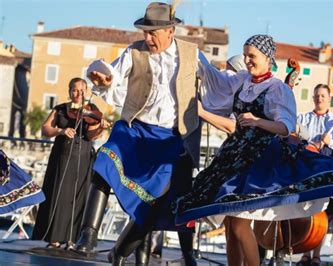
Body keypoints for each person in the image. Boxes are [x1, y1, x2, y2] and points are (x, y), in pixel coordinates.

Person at [175, 34, 333, 266]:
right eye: (245, 55)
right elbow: (215, 80)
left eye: (252, 56)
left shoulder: (277, 88)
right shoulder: (242, 81)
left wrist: (257, 121)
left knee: (239, 223)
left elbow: (285, 127)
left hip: (259, 158)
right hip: (235, 154)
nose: (247, 61)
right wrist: (191, 53)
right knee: (230, 223)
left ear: (267, 58)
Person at [78, 2, 237, 265]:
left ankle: (119, 252)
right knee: (105, 162)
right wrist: (104, 79)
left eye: (153, 33)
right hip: (136, 129)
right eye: (145, 32)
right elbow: (113, 74)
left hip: (171, 139)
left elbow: (216, 84)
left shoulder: (191, 54)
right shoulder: (134, 52)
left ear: (170, 31)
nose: (148, 38)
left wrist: (244, 88)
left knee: (154, 207)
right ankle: (88, 234)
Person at [32, 77, 109, 248]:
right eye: (75, 90)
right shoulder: (60, 109)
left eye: (82, 90)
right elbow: (46, 129)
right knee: (57, 196)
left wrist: (101, 127)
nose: (79, 94)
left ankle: (73, 238)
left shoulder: (92, 110)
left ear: (86, 92)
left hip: (82, 158)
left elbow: (90, 135)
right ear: (69, 91)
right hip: (62, 156)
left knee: (78, 198)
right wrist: (61, 130)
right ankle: (54, 238)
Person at [296, 83, 333, 266]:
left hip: (326, 169)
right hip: (307, 168)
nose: (319, 99)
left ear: (329, 98)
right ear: (313, 98)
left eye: (323, 96)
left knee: (322, 213)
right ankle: (305, 252)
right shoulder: (303, 118)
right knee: (305, 212)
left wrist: (330, 141)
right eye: (317, 95)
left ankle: (317, 254)